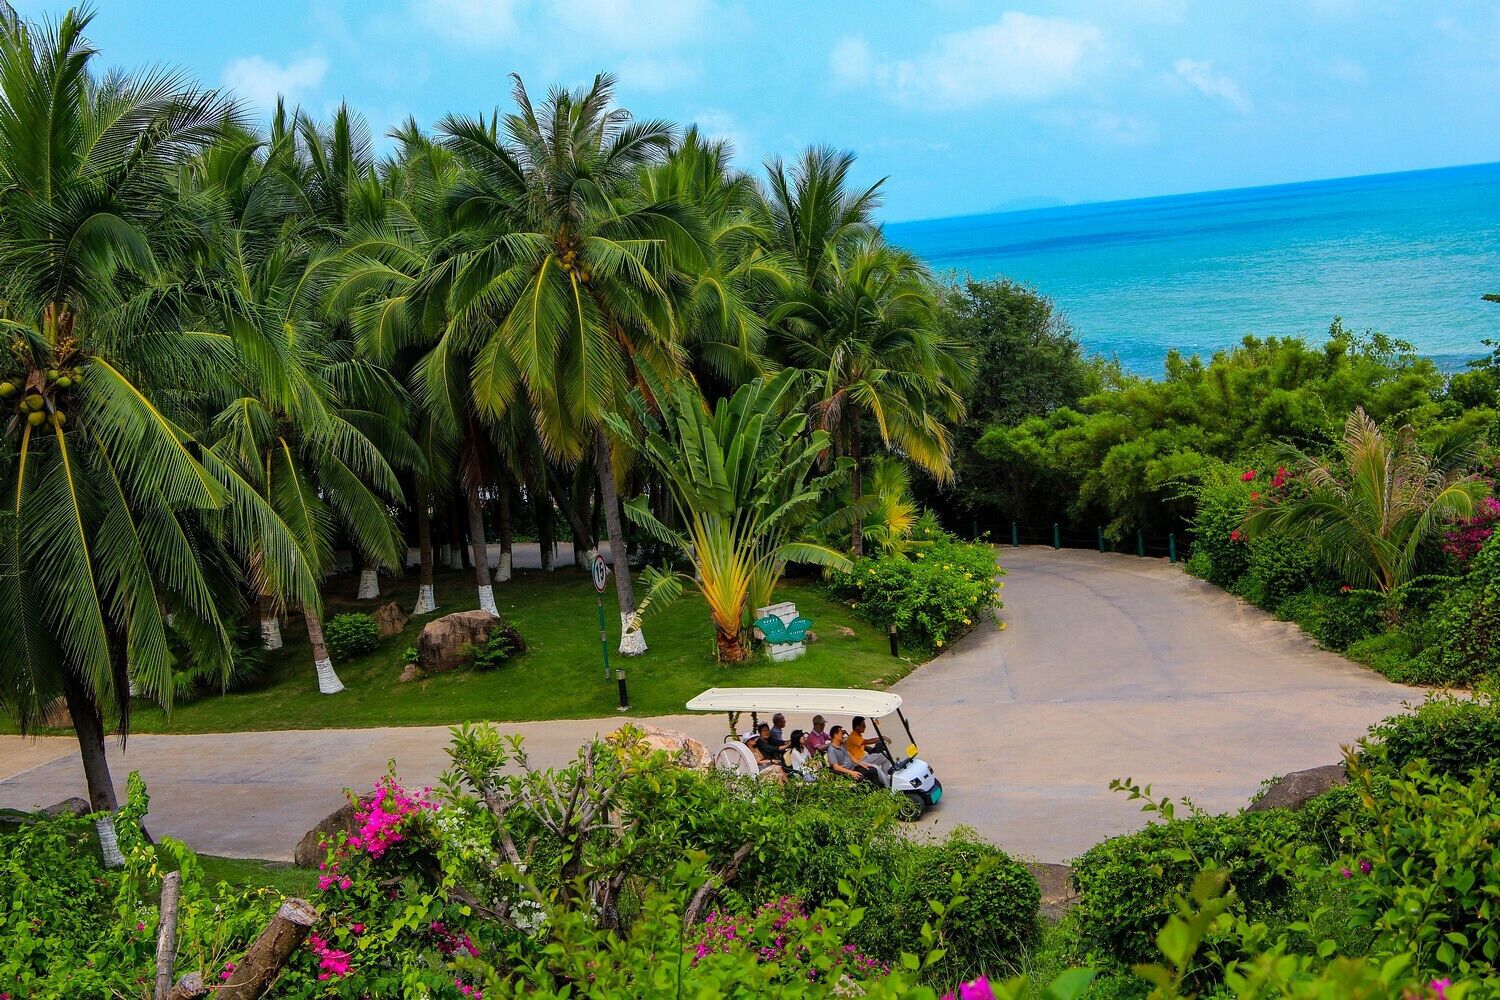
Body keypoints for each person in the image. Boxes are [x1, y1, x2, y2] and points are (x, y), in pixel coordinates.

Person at [848, 716, 893, 785]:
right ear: (857, 727)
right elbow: (867, 741)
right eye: (863, 726)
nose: (865, 727)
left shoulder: (858, 735)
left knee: (885, 756)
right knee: (875, 767)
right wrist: (882, 738)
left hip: (864, 757)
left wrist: (866, 747)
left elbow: (861, 744)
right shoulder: (853, 737)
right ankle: (888, 786)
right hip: (858, 762)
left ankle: (885, 777)